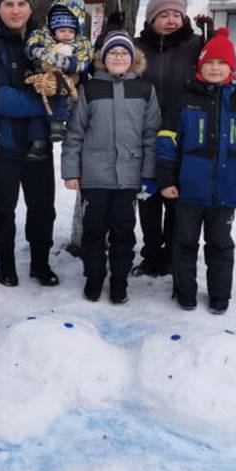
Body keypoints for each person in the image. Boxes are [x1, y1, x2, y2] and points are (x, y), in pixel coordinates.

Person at [156, 28, 236, 315]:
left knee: (220, 245)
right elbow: (166, 141)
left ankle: (220, 296)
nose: (215, 68)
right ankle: (185, 293)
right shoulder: (183, 100)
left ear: (231, 68)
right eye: (210, 63)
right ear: (200, 66)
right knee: (184, 243)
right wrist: (167, 178)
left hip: (225, 191)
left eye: (222, 63)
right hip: (187, 189)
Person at [61, 31, 160, 304]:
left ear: (133, 58)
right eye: (113, 53)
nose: (119, 57)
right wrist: (71, 171)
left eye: (124, 53)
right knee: (93, 231)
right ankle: (94, 277)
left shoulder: (144, 89)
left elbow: (152, 134)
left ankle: (119, 280)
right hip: (95, 177)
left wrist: (149, 173)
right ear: (104, 58)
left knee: (123, 232)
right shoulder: (90, 89)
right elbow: (75, 133)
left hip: (129, 177)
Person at [0, 0, 60, 287]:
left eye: (21, 4)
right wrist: (46, 102)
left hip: (39, 144)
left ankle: (40, 263)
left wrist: (60, 91)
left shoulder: (44, 44)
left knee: (42, 209)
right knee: (3, 209)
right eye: (8, 3)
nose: (15, 10)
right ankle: (5, 263)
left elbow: (64, 81)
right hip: (4, 143)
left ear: (30, 9)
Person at [132, 0, 208, 278]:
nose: (172, 20)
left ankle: (174, 256)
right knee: (148, 200)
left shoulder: (195, 45)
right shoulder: (138, 48)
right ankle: (151, 255)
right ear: (152, 18)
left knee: (177, 200)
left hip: (183, 137)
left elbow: (217, 71)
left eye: (177, 14)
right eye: (164, 15)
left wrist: (211, 38)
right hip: (146, 136)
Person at [24, 0, 93, 161]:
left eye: (71, 31)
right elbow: (30, 44)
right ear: (53, 28)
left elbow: (85, 61)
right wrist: (36, 50)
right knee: (37, 111)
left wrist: (69, 63)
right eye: (62, 31)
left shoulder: (81, 43)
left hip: (65, 81)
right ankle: (38, 142)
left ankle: (57, 124)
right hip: (42, 78)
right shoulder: (43, 36)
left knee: (61, 97)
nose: (67, 35)